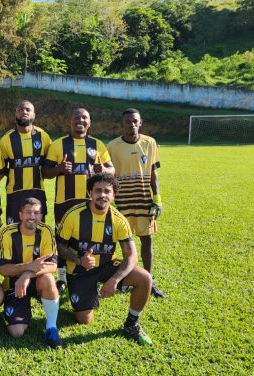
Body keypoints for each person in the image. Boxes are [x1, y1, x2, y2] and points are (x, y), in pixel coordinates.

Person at [56, 173, 153, 345]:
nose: (102, 195)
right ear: (89, 193)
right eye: (98, 190)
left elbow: (131, 256)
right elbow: (59, 246)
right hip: (79, 270)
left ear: (113, 195)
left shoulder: (119, 220)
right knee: (84, 319)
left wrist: (114, 280)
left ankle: (131, 324)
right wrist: (79, 260)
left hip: (107, 265)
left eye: (107, 191)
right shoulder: (73, 215)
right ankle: (82, 293)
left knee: (145, 278)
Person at [42, 107, 115, 294]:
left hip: (90, 203)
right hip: (64, 202)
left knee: (88, 238)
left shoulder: (98, 145)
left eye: (84, 118)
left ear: (89, 123)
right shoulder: (58, 145)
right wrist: (59, 168)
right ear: (70, 122)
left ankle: (89, 272)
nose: (80, 120)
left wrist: (103, 170)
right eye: (76, 117)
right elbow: (45, 172)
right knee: (62, 241)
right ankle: (62, 277)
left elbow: (111, 170)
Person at [107, 109, 165, 298]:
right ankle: (127, 279)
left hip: (144, 200)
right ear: (121, 124)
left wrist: (157, 199)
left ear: (140, 123)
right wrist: (112, 201)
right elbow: (109, 177)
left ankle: (149, 280)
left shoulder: (150, 143)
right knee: (123, 243)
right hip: (122, 202)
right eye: (127, 122)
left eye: (135, 121)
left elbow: (154, 173)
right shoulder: (112, 147)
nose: (131, 125)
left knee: (146, 240)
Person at [0, 197, 62, 349]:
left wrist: (27, 274)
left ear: (41, 216)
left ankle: (51, 328)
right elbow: (3, 269)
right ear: (20, 215)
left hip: (37, 279)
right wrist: (29, 266)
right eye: (28, 212)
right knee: (16, 332)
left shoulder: (46, 231)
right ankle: (21, 309)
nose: (32, 216)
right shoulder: (7, 233)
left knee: (47, 278)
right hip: (14, 284)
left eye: (37, 213)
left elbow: (52, 266)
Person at [0, 100, 52, 225]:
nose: (24, 112)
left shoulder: (43, 136)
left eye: (28, 110)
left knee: (38, 229)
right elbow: (0, 168)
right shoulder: (6, 140)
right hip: (15, 193)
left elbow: (48, 165)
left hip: (37, 190)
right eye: (20, 110)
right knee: (13, 230)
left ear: (34, 114)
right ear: (15, 114)